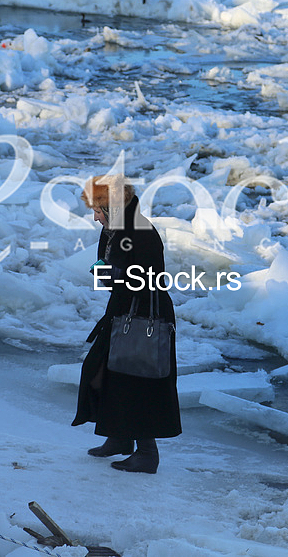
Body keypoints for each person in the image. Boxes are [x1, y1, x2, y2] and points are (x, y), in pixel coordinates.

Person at [72, 174, 181, 474]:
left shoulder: (139, 231)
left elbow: (142, 277)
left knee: (137, 379)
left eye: (97, 211)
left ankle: (147, 453)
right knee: (104, 370)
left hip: (145, 315)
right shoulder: (118, 228)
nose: (94, 218)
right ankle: (120, 437)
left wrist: (112, 274)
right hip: (124, 311)